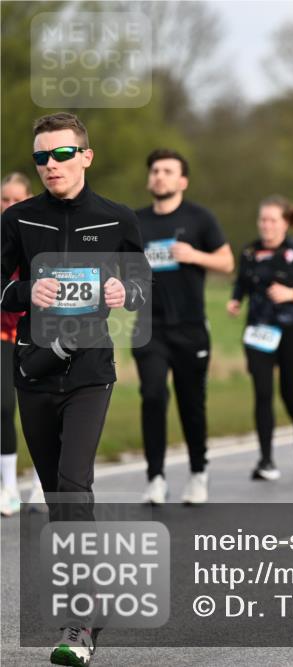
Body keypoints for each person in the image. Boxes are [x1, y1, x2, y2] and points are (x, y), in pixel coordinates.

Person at [1, 112, 151, 666]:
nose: (50, 166)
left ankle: (81, 621)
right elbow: (0, 287)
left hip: (90, 372)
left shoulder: (116, 218)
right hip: (34, 372)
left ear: (86, 156)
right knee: (55, 497)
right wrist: (23, 293)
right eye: (41, 157)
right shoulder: (19, 219)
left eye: (61, 154)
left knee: (71, 486)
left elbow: (140, 284)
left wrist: (121, 289)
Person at [133, 149, 234, 505]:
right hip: (149, 326)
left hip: (190, 327)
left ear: (182, 181)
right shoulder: (135, 221)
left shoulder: (199, 218)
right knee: (153, 396)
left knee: (192, 403)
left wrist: (195, 256)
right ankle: (156, 477)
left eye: (167, 171)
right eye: (155, 170)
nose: (159, 176)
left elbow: (227, 262)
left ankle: (197, 472)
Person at [228, 196, 293, 481]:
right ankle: (266, 460)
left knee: (289, 392)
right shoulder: (249, 252)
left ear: (284, 223)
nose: (266, 225)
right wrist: (235, 301)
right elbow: (241, 282)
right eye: (262, 220)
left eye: (272, 220)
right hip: (259, 331)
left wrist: (292, 294)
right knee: (262, 393)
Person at [0, 172, 45, 516]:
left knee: (43, 410)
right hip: (2, 336)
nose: (10, 205)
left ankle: (42, 485)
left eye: (17, 199)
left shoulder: (40, 235)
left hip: (36, 335)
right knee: (3, 407)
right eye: (5, 199)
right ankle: (9, 487)